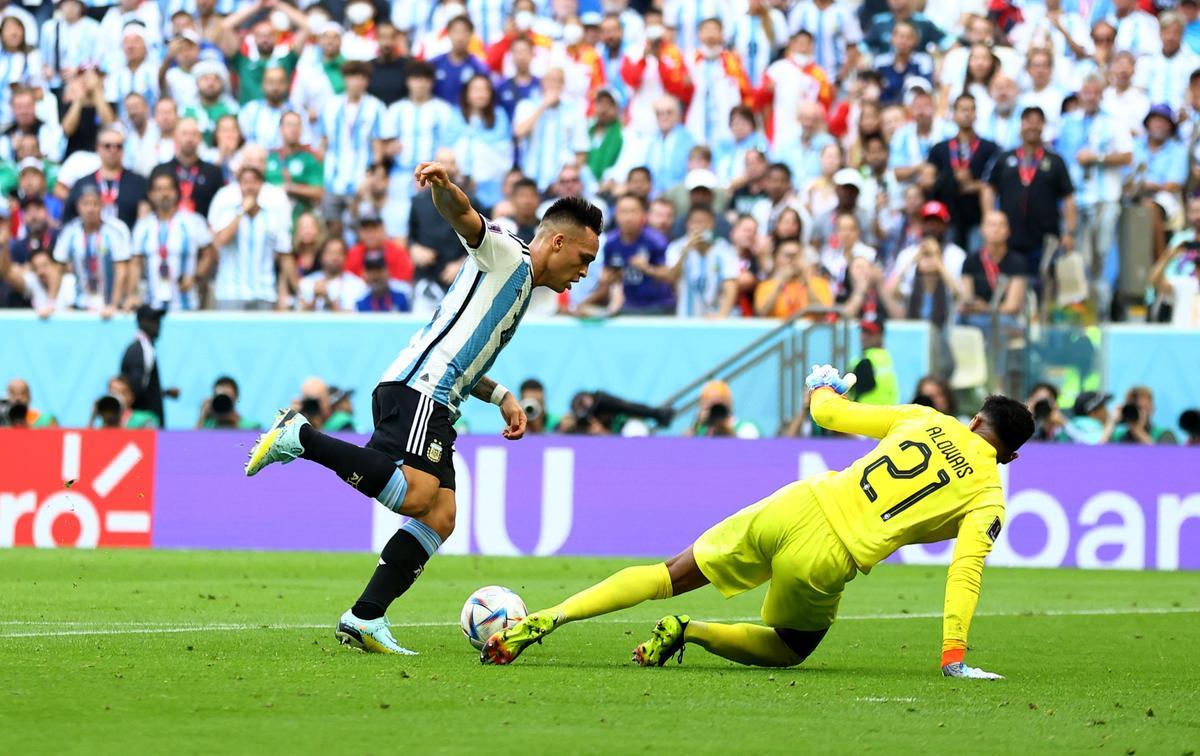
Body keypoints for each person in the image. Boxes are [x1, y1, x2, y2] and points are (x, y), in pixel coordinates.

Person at [243, 160, 601, 655]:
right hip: (421, 390)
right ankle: (300, 436)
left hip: (438, 397)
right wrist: (446, 188)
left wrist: (501, 396)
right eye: (584, 258)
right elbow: (465, 219)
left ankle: (365, 617)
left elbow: (467, 354)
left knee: (442, 514)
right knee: (415, 495)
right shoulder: (507, 257)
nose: (584, 273)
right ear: (557, 242)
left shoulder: (518, 289)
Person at [483, 366, 1033, 681]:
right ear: (1009, 456)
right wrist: (954, 654)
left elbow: (829, 414)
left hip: (796, 503)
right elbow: (965, 571)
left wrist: (822, 386)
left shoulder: (925, 417)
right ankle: (689, 631)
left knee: (669, 571)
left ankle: (544, 619)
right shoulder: (989, 494)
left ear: (976, 419)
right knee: (791, 647)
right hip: (827, 557)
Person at [131, 171, 215, 311]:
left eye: (168, 189)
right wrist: (132, 294)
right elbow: (135, 264)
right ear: (151, 194)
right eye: (159, 189)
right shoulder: (142, 226)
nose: (164, 194)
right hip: (152, 305)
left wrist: (195, 277)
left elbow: (209, 254)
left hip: (186, 303)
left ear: (176, 192)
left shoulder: (193, 221)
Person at [51, 185, 134, 316]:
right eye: (85, 204)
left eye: (95, 204)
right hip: (81, 304)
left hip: (109, 306)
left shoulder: (116, 230)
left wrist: (114, 305)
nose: (90, 209)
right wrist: (51, 303)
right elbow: (58, 269)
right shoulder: (69, 232)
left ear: (102, 205)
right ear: (78, 207)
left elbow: (122, 270)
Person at [119, 305, 180, 428]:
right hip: (143, 424)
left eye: (158, 320)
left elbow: (142, 385)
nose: (158, 324)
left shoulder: (142, 348)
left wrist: (163, 393)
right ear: (141, 322)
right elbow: (135, 389)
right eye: (153, 320)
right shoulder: (142, 349)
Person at [754, 237, 832, 319]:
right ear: (776, 259)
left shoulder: (819, 283)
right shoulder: (765, 286)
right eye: (788, 256)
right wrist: (780, 284)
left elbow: (822, 314)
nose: (792, 261)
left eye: (797, 256)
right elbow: (762, 313)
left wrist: (806, 283)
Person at [297, 237, 367, 312]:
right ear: (321, 257)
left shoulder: (357, 284)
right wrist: (314, 299)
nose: (335, 257)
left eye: (339, 253)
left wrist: (328, 301)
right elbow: (298, 317)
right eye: (330, 253)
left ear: (346, 257)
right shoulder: (307, 282)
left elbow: (355, 320)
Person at [1111, 386, 1178, 445]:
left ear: (1152, 408)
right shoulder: (1118, 437)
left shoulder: (1164, 435)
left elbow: (1166, 458)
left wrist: (1139, 431)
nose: (1137, 412)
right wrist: (1111, 424)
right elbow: (1101, 455)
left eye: (1141, 408)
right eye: (1133, 407)